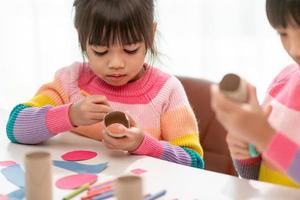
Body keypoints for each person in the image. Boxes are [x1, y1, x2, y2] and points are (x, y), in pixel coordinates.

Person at [6, 0, 204, 169]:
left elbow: (193, 162)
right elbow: (15, 127)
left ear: (150, 35)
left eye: (130, 49)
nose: (116, 64)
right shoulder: (70, 81)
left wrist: (143, 143)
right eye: (100, 51)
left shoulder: (166, 91)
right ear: (82, 39)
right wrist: (71, 115)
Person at [211, 0, 300, 187]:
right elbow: (259, 178)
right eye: (283, 33)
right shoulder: (283, 83)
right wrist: (245, 152)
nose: (295, 49)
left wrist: (265, 137)